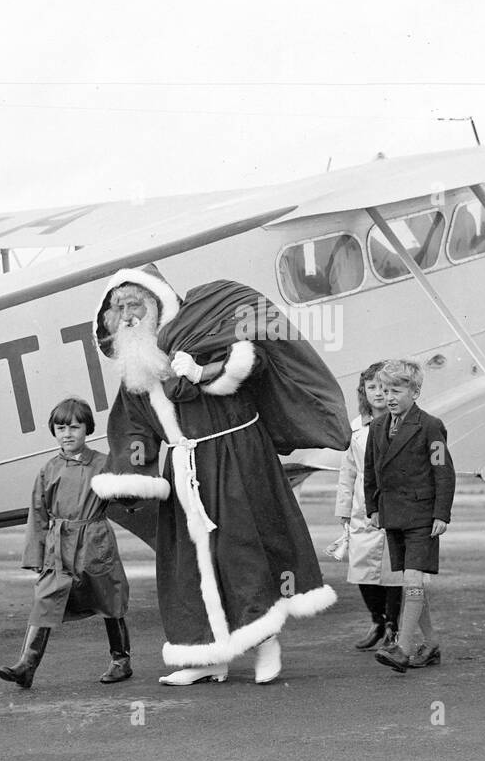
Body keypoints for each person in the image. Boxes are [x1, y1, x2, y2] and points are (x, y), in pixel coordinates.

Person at [90, 267, 349, 685]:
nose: (127, 315)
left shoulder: (204, 329)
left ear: (156, 302)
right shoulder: (135, 364)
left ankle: (266, 643)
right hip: (183, 470)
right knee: (189, 566)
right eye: (118, 309)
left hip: (235, 458)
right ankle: (207, 656)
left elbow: (254, 360)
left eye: (134, 304)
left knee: (243, 553)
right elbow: (132, 425)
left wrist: (202, 372)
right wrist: (129, 475)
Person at [0, 397, 132, 689]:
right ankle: (26, 665)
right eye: (60, 428)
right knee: (45, 598)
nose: (67, 434)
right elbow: (38, 513)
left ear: (87, 429)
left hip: (95, 542)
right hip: (60, 547)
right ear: (54, 432)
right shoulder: (49, 469)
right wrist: (36, 555)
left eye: (74, 427)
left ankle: (121, 660)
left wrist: (131, 491)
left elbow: (125, 496)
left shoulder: (103, 463)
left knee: (110, 599)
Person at [364, 358, 456, 673]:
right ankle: (430, 644)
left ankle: (402, 648)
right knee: (410, 581)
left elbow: (443, 470)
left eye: (397, 390)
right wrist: (373, 507)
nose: (388, 396)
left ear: (414, 392)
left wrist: (441, 513)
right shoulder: (376, 427)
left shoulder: (430, 425)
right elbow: (370, 472)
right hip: (392, 514)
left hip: (421, 514)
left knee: (413, 579)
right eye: (384, 390)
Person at [335, 362, 404, 650]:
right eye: (371, 387)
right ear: (363, 391)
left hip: (395, 506)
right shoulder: (356, 426)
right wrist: (343, 508)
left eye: (383, 386)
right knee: (362, 568)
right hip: (363, 508)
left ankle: (393, 626)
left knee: (393, 572)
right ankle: (377, 620)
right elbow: (348, 469)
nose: (378, 392)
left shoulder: (401, 421)